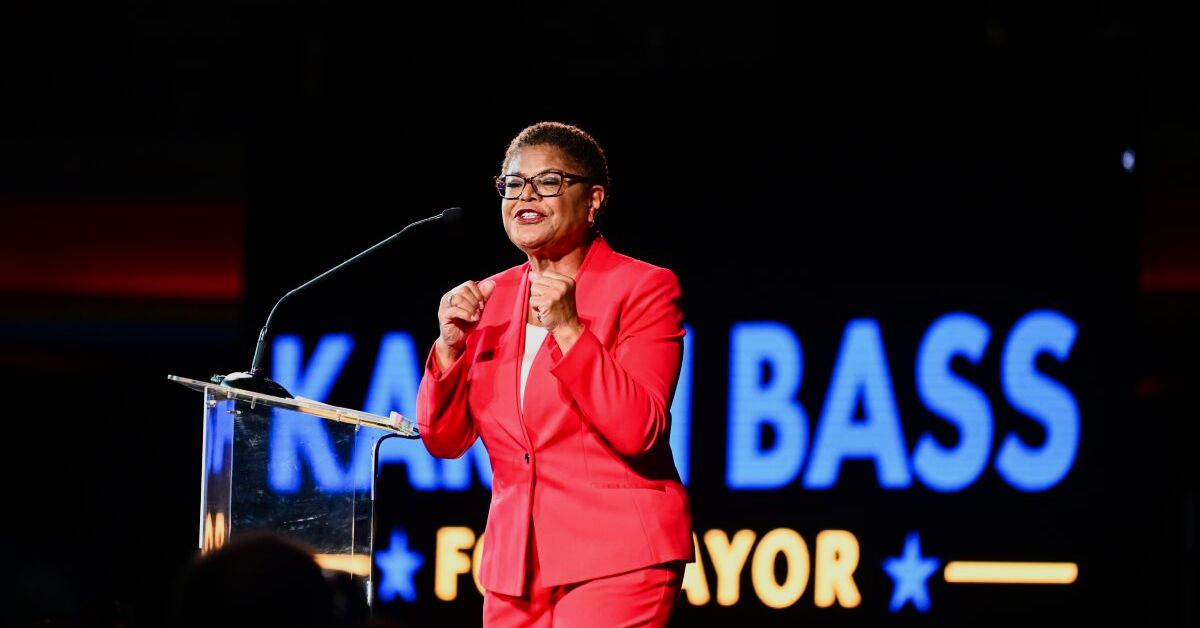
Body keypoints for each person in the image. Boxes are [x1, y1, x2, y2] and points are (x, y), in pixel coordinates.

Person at [412, 121, 693, 626]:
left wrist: (570, 330)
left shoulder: (644, 288)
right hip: (514, 569)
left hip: (618, 557)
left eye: (549, 182)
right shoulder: (488, 299)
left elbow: (640, 429)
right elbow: (445, 441)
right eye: (513, 183)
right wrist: (450, 350)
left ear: (593, 200)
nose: (527, 194)